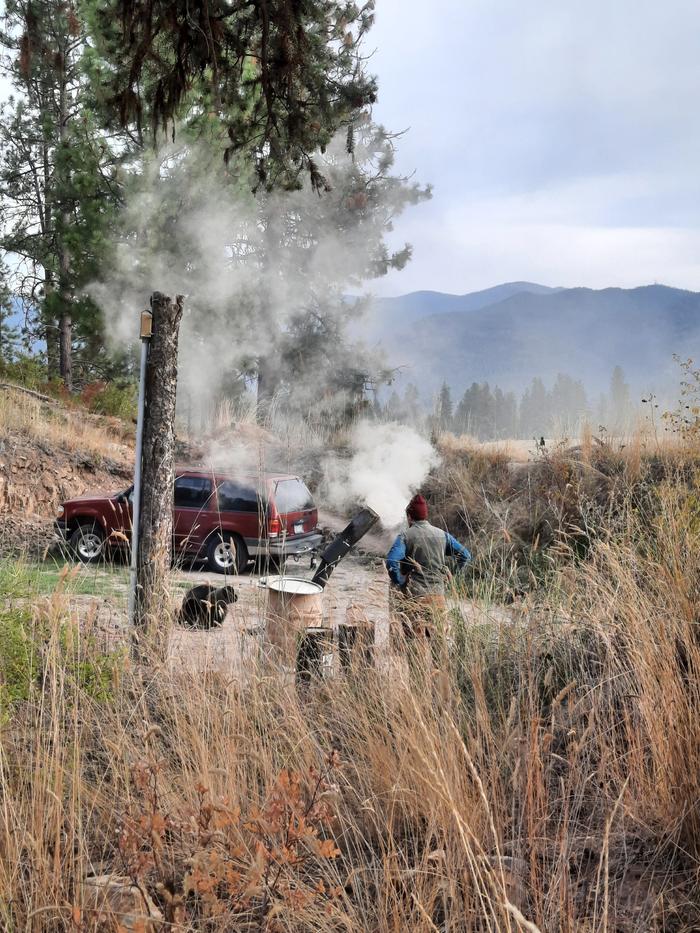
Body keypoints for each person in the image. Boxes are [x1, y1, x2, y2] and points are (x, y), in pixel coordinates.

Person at [385, 494, 472, 653]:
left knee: (414, 646)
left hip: (414, 598)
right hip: (438, 598)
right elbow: (465, 556)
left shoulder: (406, 536)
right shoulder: (442, 534)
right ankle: (438, 676)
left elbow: (391, 561)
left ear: (410, 517)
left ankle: (416, 677)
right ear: (425, 516)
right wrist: (451, 575)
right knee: (438, 643)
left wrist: (400, 580)